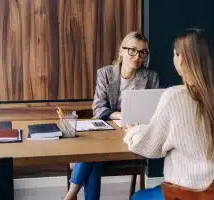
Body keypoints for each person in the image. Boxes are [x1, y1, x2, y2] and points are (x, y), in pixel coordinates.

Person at [123, 28, 214, 200]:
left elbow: (150, 146)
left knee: (138, 197)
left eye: (175, 54)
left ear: (180, 59)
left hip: (192, 193)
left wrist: (132, 132)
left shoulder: (174, 97)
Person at [64, 31, 159, 200]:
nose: (137, 56)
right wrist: (120, 116)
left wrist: (128, 120)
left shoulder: (151, 77)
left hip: (132, 137)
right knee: (94, 156)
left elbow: (153, 112)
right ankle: (71, 195)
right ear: (122, 50)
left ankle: (71, 194)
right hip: (106, 137)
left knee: (92, 154)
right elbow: (99, 108)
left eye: (142, 52)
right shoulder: (105, 74)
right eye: (132, 50)